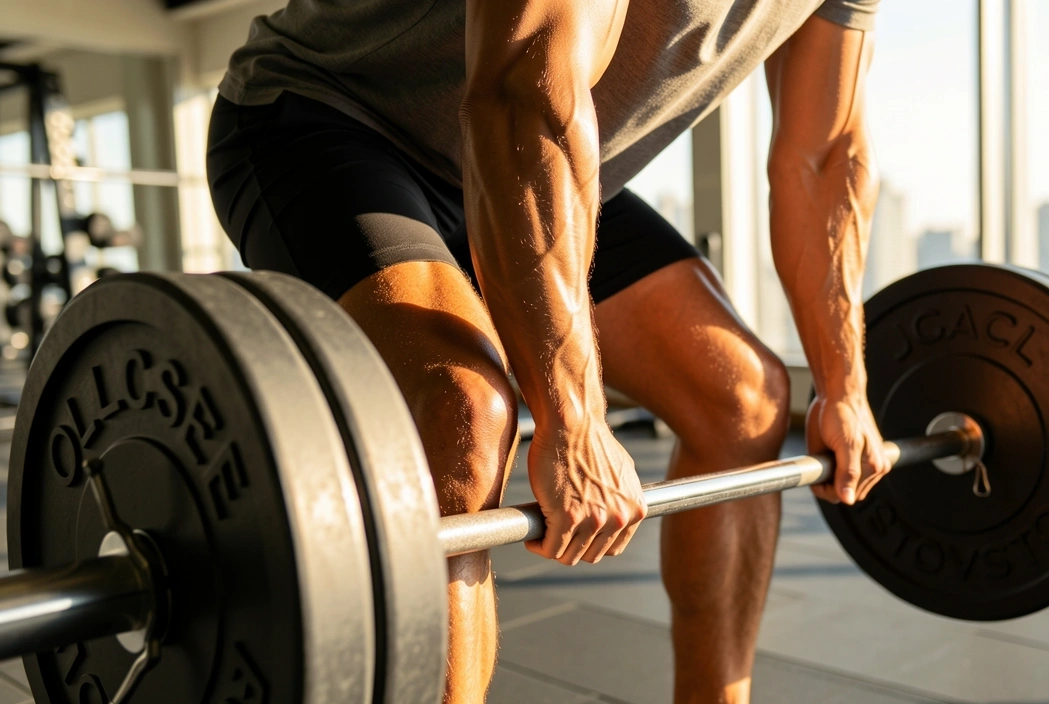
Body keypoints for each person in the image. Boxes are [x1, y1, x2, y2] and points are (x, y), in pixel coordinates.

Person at [207, 1, 891, 701]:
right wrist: (572, 420)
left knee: (744, 400)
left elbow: (826, 155)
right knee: (462, 412)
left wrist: (843, 386)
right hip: (333, 120)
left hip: (544, 147)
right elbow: (521, 97)